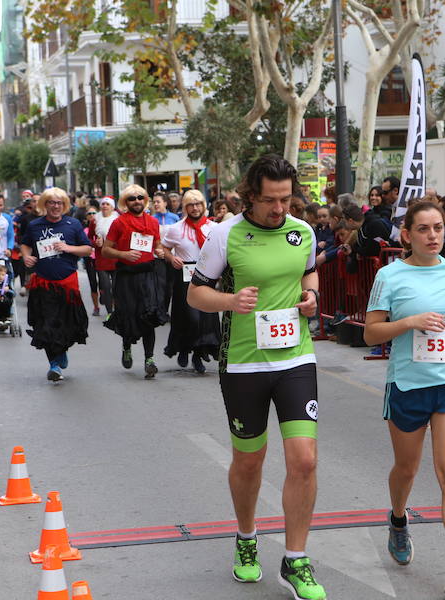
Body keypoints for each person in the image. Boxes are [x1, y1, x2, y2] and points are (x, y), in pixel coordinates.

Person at [187, 155, 326, 600]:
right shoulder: (225, 234)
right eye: (270, 200)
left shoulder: (301, 231)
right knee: (250, 460)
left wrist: (311, 296)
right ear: (251, 195)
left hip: (296, 358)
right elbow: (196, 291)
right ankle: (246, 539)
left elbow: (309, 271)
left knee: (304, 459)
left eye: (286, 199)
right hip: (244, 362)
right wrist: (229, 302)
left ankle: (295, 559)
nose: (279, 208)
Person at [364, 201, 445, 596]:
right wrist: (410, 322)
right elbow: (371, 333)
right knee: (407, 469)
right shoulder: (389, 276)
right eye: (424, 229)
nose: (433, 236)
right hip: (408, 385)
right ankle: (398, 519)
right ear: (407, 234)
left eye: (438, 228)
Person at [20, 188, 92, 382]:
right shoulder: (35, 225)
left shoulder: (73, 224)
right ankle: (54, 365)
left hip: (67, 284)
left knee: (68, 325)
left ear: (64, 206)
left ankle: (61, 353)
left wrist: (68, 248)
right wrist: (27, 257)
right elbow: (25, 244)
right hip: (43, 283)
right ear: (45, 204)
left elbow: (87, 249)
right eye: (51, 202)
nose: (55, 206)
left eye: (59, 203)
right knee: (46, 326)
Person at [102, 185, 169, 379]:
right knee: (128, 315)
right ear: (126, 202)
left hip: (148, 275)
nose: (137, 201)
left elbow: (158, 246)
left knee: (149, 316)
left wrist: (159, 251)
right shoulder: (119, 223)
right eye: (132, 198)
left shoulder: (153, 222)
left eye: (140, 197)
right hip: (125, 275)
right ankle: (126, 346)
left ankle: (149, 359)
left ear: (145, 199)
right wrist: (123, 254)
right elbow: (106, 250)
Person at [161, 190, 220, 373]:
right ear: (185, 208)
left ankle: (198, 354)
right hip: (184, 277)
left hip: (207, 275)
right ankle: (184, 348)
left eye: (198, 204)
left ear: (204, 206)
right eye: (191, 205)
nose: (195, 208)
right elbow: (164, 248)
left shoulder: (213, 228)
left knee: (205, 317)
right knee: (187, 317)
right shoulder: (176, 228)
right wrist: (171, 259)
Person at [93, 197, 119, 318]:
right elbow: (89, 237)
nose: (104, 206)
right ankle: (110, 312)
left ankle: (118, 309)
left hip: (116, 257)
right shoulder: (95, 220)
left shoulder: (118, 220)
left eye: (107, 204)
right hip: (101, 258)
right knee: (105, 286)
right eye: (103, 204)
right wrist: (95, 242)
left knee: (116, 287)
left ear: (112, 207)